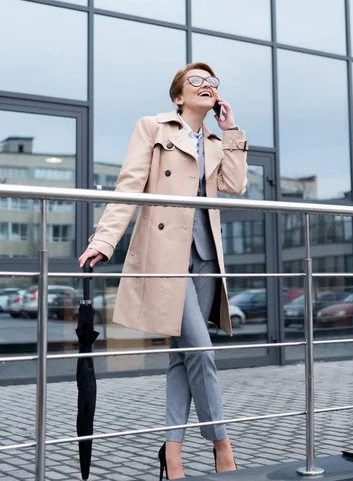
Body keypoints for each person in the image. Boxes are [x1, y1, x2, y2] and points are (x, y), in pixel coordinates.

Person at [79, 62, 248, 479]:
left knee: (183, 357)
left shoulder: (213, 138)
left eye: (213, 83)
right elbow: (129, 186)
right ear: (178, 96)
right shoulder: (152, 128)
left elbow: (236, 186)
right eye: (197, 81)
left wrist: (231, 131)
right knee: (202, 351)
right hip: (166, 256)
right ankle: (221, 444)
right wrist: (104, 240)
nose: (207, 86)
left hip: (206, 257)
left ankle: (171, 452)